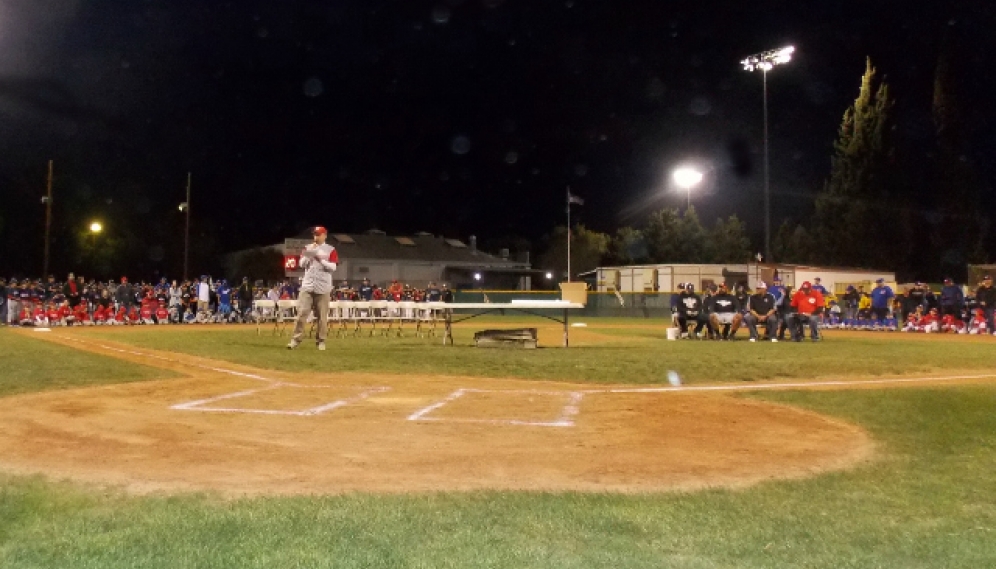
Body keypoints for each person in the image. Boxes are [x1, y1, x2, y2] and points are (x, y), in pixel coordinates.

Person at [288, 226, 338, 350]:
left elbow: (333, 267)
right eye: (315, 234)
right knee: (301, 314)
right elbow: (301, 264)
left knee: (322, 317)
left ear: (324, 235)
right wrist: (310, 254)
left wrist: (321, 260)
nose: (316, 237)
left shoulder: (330, 249)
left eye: (318, 234)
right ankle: (295, 340)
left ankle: (321, 341)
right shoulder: (308, 247)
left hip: (323, 287)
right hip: (308, 285)